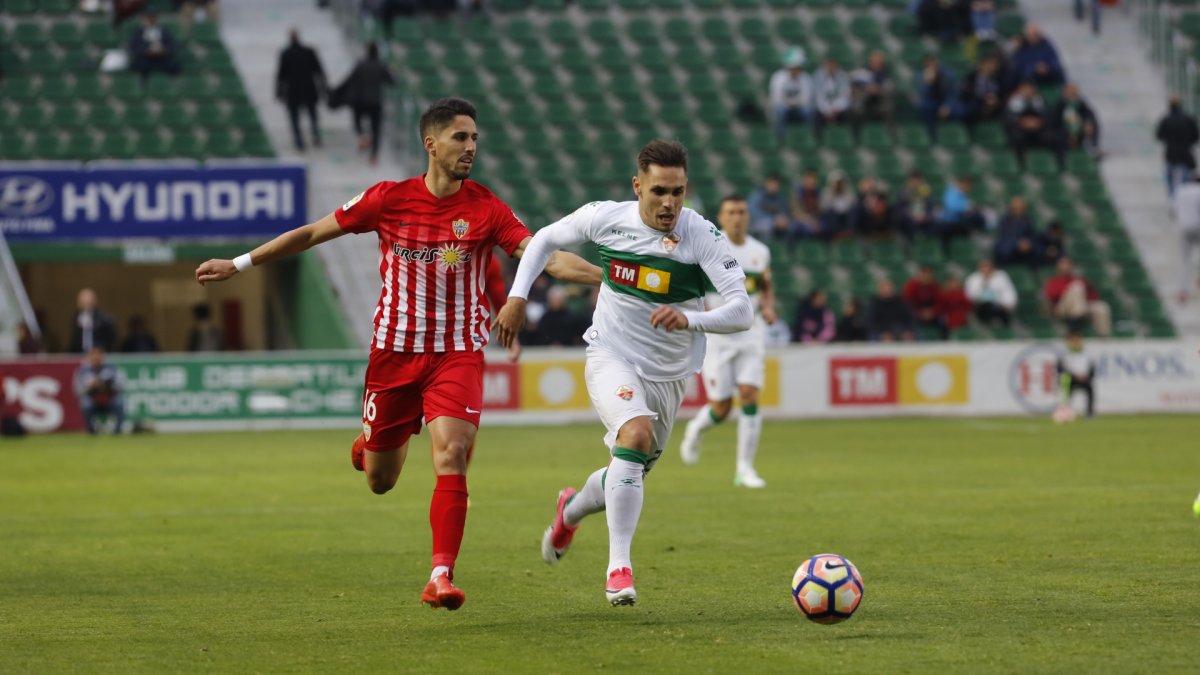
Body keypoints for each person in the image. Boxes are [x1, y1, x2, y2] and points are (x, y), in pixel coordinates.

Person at [194, 97, 601, 611]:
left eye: (475, 138)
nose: (471, 147)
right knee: (380, 481)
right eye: (460, 137)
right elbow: (312, 233)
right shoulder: (387, 199)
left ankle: (440, 575)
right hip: (395, 354)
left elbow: (547, 256)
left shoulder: (486, 207)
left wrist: (613, 279)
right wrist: (239, 263)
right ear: (430, 144)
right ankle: (372, 442)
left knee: (452, 453)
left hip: (457, 353)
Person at [494, 140, 753, 606]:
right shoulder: (606, 218)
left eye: (677, 191)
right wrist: (517, 296)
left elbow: (742, 310)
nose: (669, 203)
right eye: (658, 191)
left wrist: (691, 318)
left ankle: (569, 512)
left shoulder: (701, 236)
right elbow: (545, 239)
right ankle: (619, 567)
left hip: (670, 374)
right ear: (637, 186)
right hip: (610, 353)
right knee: (634, 436)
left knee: (628, 468)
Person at [679, 194, 778, 489]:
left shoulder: (760, 252)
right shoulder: (709, 244)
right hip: (718, 336)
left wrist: (770, 307)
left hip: (751, 331)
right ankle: (696, 429)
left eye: (742, 212)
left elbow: (766, 286)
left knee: (749, 394)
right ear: (721, 218)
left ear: (747, 216)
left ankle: (744, 469)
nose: (737, 217)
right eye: (731, 212)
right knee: (721, 407)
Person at [338, 43, 394, 165]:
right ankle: (373, 156)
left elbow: (349, 79)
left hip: (360, 101)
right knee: (376, 130)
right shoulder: (380, 65)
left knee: (357, 120)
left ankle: (362, 135)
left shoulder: (360, 64)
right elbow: (391, 81)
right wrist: (392, 73)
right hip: (375, 102)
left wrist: (337, 91)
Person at [276, 29, 327, 152]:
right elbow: (319, 71)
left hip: (294, 91)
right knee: (312, 114)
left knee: (295, 117)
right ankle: (315, 134)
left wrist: (279, 92)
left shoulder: (286, 53)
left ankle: (299, 141)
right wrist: (323, 88)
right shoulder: (308, 52)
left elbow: (281, 75)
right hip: (308, 88)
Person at [1043, 257, 1112, 336]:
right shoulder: (1054, 281)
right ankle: (1075, 326)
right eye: (1063, 264)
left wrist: (1084, 298)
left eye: (1067, 264)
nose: (1065, 266)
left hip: (1081, 307)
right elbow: (1052, 297)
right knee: (1076, 288)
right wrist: (1069, 291)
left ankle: (1103, 337)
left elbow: (1093, 295)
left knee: (1101, 307)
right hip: (1061, 308)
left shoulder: (1079, 279)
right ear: (1058, 267)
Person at [1005, 81, 1065, 171]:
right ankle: (1020, 164)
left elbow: (1048, 116)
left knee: (1052, 137)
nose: (1028, 91)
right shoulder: (1013, 101)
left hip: (1039, 129)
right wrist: (1022, 122)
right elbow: (1008, 118)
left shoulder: (1040, 100)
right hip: (1021, 129)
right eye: (1026, 89)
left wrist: (1039, 122)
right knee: (1017, 137)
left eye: (1030, 89)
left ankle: (1054, 165)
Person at [1155, 95, 1200, 198]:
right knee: (1185, 182)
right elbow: (1196, 137)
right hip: (1185, 154)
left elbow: (1159, 136)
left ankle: (1173, 200)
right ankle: (1182, 201)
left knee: (1170, 180)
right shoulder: (1188, 119)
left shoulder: (1166, 119)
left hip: (1171, 154)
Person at [74, 347, 125, 435]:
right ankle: (91, 431)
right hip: (92, 399)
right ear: (89, 357)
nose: (96, 358)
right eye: (93, 355)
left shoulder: (112, 369)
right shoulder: (82, 371)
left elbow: (121, 386)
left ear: (103, 357)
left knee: (120, 401)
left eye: (98, 355)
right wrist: (90, 386)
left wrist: (107, 384)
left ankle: (117, 431)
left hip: (109, 398)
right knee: (85, 403)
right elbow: (78, 390)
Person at [768, 47, 812, 141]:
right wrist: (791, 103)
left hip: (799, 107)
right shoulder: (778, 77)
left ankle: (808, 138)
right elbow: (777, 98)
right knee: (780, 111)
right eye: (794, 67)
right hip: (784, 107)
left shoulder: (805, 78)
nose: (796, 70)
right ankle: (780, 139)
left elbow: (806, 98)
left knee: (809, 111)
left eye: (798, 67)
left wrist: (794, 103)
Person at [934, 175, 985, 254]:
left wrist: (969, 209)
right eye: (966, 185)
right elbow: (951, 208)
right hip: (948, 223)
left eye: (968, 186)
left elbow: (968, 210)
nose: (968, 188)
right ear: (960, 183)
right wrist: (966, 209)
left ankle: (978, 235)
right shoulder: (951, 192)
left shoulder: (965, 196)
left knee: (977, 216)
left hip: (959, 223)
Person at [1052, 83, 1101, 159]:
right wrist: (1069, 134)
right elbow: (1055, 122)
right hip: (1064, 132)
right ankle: (1062, 161)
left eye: (1074, 91)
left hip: (1079, 131)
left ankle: (1093, 148)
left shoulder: (1081, 103)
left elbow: (1089, 114)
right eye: (1070, 91)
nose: (1072, 93)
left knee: (1093, 126)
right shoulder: (1060, 104)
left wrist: (1088, 123)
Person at [128, 10, 180, 80]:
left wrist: (164, 50)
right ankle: (144, 85)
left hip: (162, 57)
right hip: (145, 57)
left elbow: (171, 45)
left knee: (173, 65)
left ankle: (172, 85)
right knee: (142, 65)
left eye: (153, 17)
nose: (151, 20)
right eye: (149, 17)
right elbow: (134, 46)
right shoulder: (139, 32)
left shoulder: (164, 31)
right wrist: (146, 51)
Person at [850, 50, 895, 131]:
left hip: (880, 100)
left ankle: (890, 135)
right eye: (875, 62)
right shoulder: (862, 72)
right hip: (864, 100)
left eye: (879, 62)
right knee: (856, 109)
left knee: (888, 108)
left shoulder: (886, 74)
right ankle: (857, 134)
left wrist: (879, 90)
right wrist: (866, 89)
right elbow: (852, 81)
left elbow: (891, 88)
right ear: (870, 62)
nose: (877, 64)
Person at [965, 258, 1017, 326]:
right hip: (980, 306)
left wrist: (1007, 304)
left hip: (999, 306)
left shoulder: (1001, 277)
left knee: (1003, 312)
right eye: (984, 266)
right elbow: (970, 295)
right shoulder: (973, 279)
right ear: (979, 267)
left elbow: (1009, 292)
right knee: (986, 307)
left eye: (988, 266)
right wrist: (983, 283)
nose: (986, 269)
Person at [993, 195, 1041, 268]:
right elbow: (1004, 238)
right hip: (1009, 251)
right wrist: (1017, 243)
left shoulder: (1028, 221)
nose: (1018, 210)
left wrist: (1028, 243)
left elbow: (1033, 236)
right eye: (1016, 208)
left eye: (1021, 208)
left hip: (1025, 251)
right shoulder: (1005, 221)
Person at [1174, 171, 1200, 303]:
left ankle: (1182, 290)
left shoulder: (1180, 190)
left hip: (1183, 227)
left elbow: (1173, 209)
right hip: (1197, 225)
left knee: (1185, 259)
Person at [1057, 332, 1095, 419]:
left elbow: (1092, 367)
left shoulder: (1087, 353)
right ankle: (1065, 413)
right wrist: (1074, 375)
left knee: (1090, 392)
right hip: (1071, 379)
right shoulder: (1065, 354)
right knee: (1066, 396)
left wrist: (1087, 376)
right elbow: (1061, 368)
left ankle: (1090, 413)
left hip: (1085, 378)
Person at [919, 52, 955, 143]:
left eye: (933, 62)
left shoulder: (947, 74)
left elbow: (952, 92)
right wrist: (929, 82)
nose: (931, 65)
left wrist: (947, 106)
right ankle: (932, 137)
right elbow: (922, 93)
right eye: (928, 63)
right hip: (931, 102)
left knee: (961, 110)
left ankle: (952, 138)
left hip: (945, 101)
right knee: (926, 107)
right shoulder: (920, 75)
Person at [813, 56, 852, 138]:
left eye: (833, 66)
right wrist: (827, 110)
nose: (831, 69)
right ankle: (818, 139)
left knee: (848, 113)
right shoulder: (818, 77)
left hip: (838, 109)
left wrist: (837, 108)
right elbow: (818, 97)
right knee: (815, 114)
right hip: (823, 109)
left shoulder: (843, 77)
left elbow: (845, 96)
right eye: (828, 66)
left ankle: (846, 137)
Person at [68, 288, 116, 354]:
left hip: (99, 357)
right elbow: (74, 341)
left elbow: (111, 340)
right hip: (79, 355)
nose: (86, 302)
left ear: (94, 301)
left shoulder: (104, 318)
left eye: (89, 301)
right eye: (83, 301)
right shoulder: (75, 318)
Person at [747, 174, 794, 241]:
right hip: (755, 223)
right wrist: (773, 220)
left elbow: (784, 210)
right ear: (766, 183)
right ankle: (767, 246)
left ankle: (784, 249)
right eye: (772, 184)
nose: (774, 186)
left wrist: (783, 219)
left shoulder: (779, 197)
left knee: (791, 227)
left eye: (776, 185)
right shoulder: (757, 195)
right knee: (767, 226)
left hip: (775, 224)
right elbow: (752, 212)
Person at [903, 264, 943, 336]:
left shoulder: (935, 286)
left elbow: (940, 303)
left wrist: (932, 312)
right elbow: (908, 304)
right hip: (916, 314)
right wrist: (920, 313)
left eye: (929, 274)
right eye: (924, 274)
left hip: (932, 314)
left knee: (943, 322)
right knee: (911, 322)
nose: (926, 276)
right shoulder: (911, 286)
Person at [819, 170, 856, 241]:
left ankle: (848, 231)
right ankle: (836, 233)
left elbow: (853, 204)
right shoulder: (826, 193)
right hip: (833, 218)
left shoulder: (848, 192)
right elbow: (823, 208)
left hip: (845, 216)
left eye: (840, 182)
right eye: (837, 183)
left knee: (854, 211)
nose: (839, 184)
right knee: (830, 212)